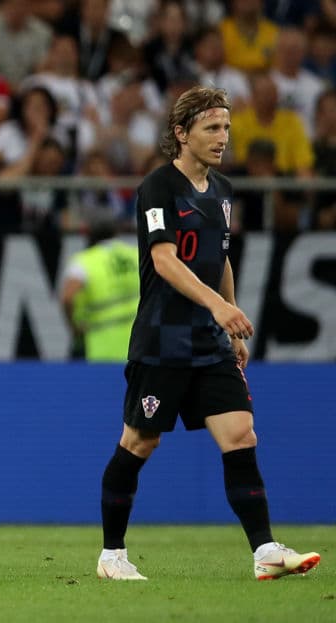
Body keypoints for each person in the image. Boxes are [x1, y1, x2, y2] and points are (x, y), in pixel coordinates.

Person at [96, 85, 320, 581]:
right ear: (181, 133)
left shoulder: (222, 191)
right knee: (139, 443)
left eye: (226, 128)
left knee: (240, 433)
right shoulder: (158, 188)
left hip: (208, 341)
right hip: (161, 339)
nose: (223, 138)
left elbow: (219, 258)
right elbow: (163, 259)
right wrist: (219, 307)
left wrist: (231, 318)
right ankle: (112, 555)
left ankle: (264, 551)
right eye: (212, 128)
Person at [60, 219, 138, 361]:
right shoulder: (136, 254)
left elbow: (67, 298)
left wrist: (74, 327)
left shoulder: (83, 262)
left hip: (104, 344)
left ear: (89, 235)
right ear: (116, 232)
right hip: (140, 342)